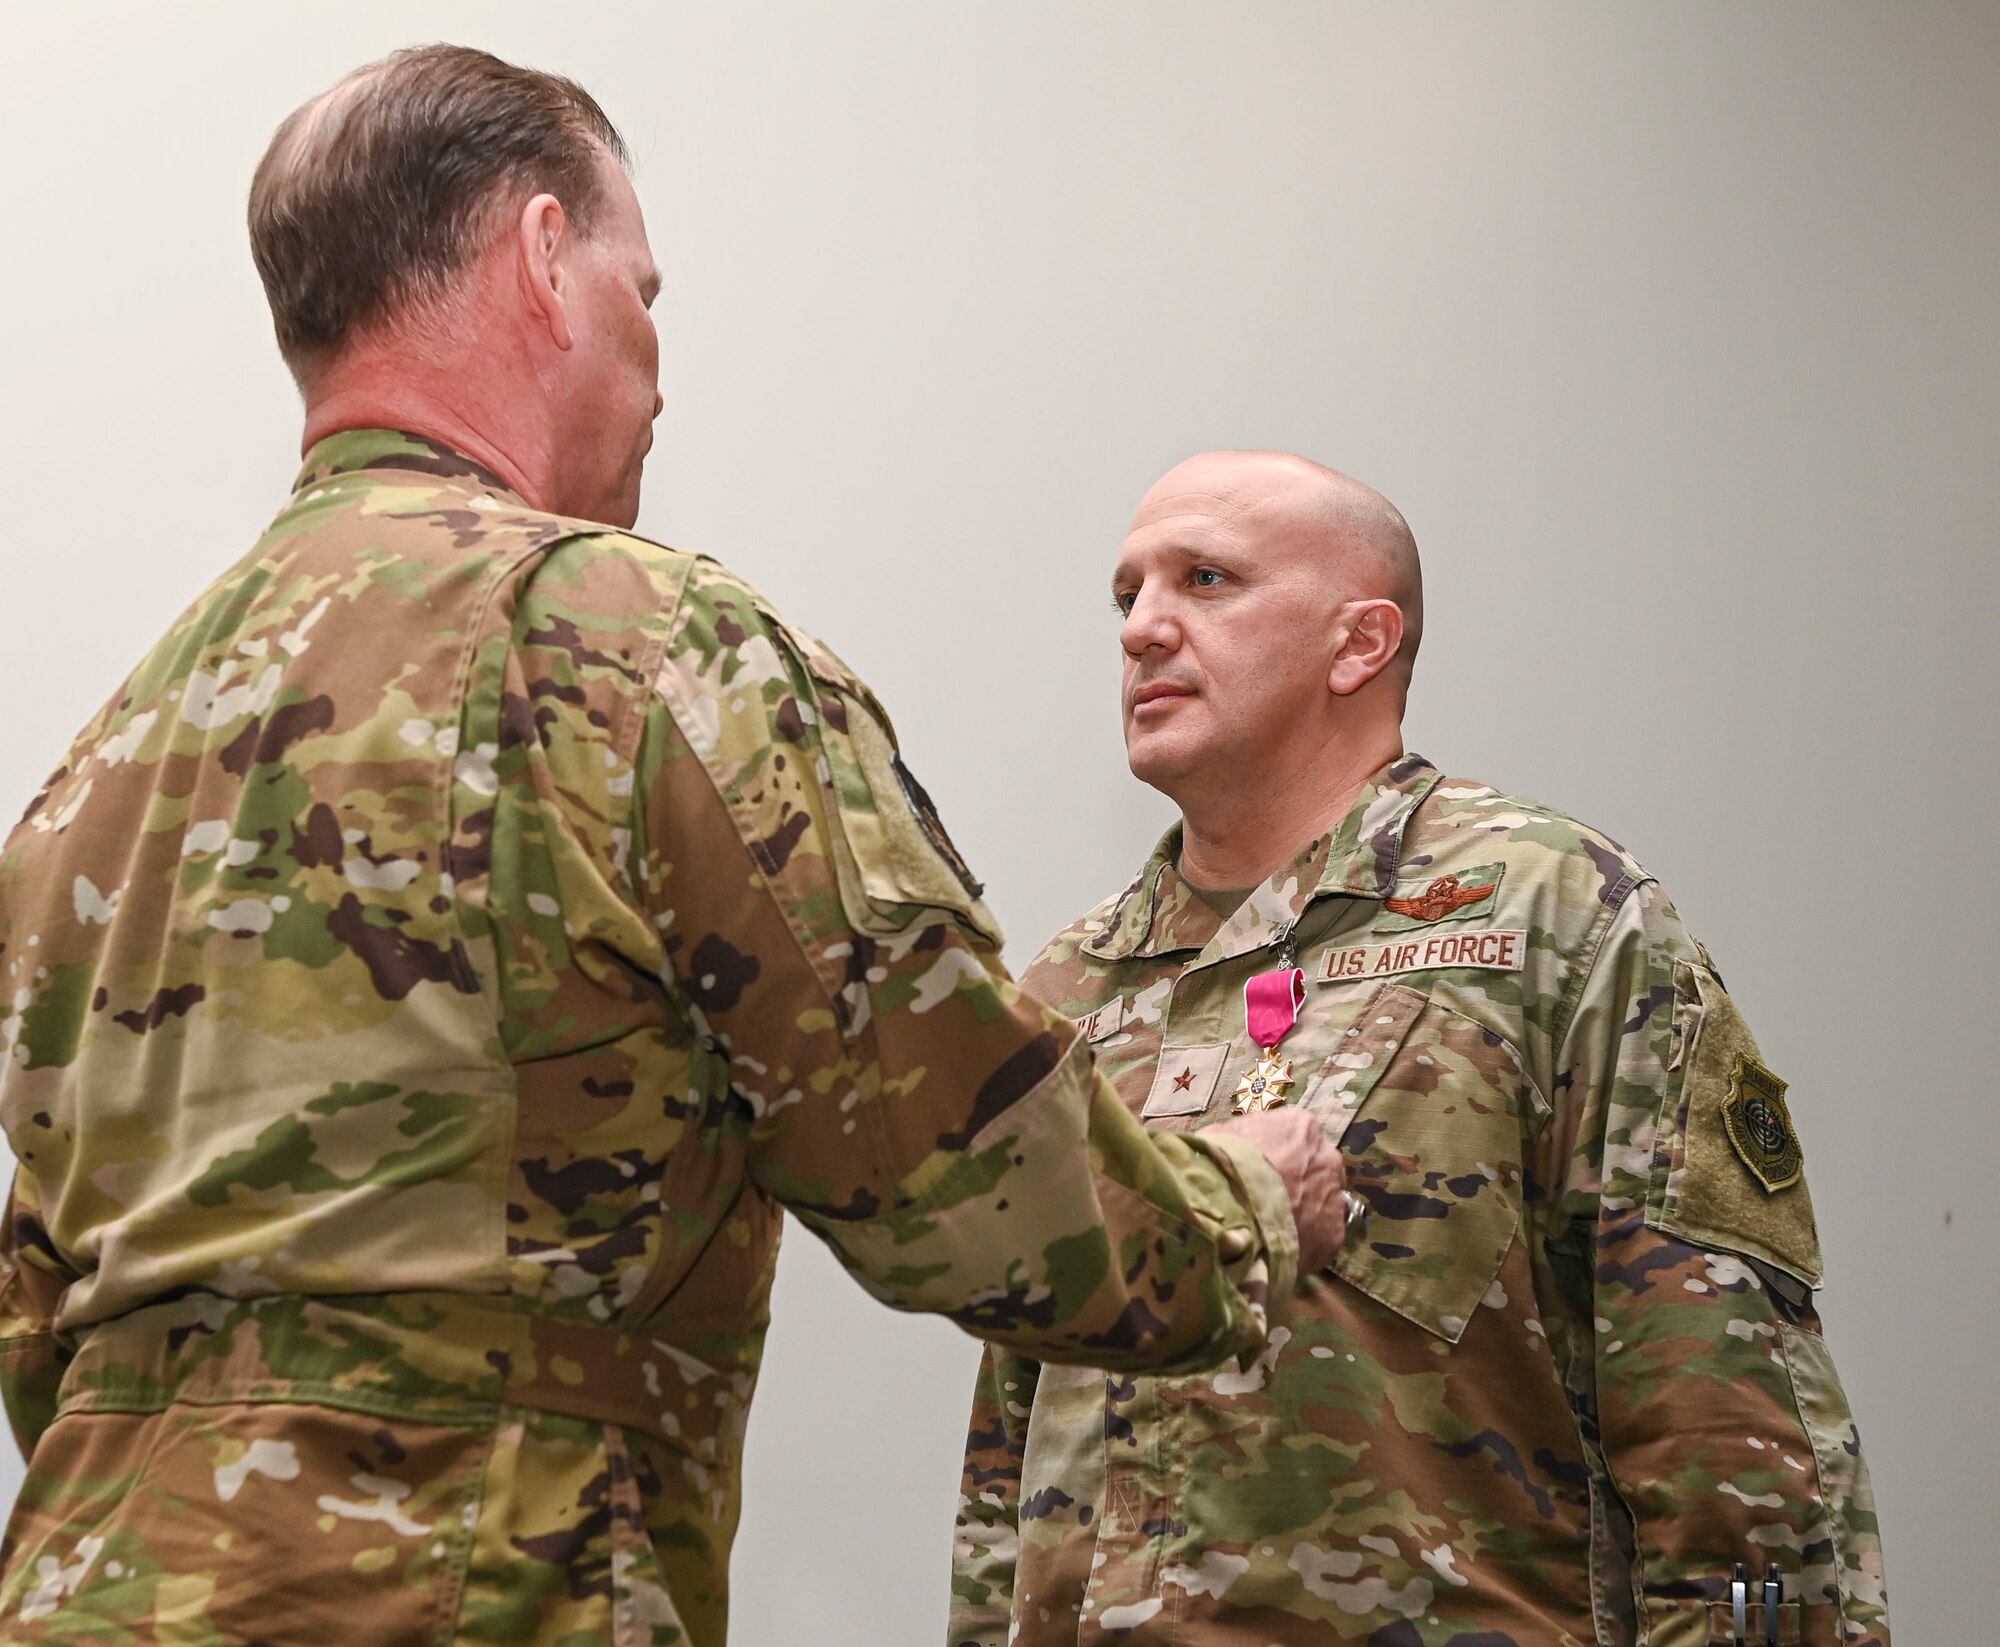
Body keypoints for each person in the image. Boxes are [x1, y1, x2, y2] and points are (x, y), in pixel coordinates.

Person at [0, 52, 1351, 1647]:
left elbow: (39, 1307)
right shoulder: (640, 648)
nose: (660, 365)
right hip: (470, 1579)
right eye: (646, 292)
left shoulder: (104, 760)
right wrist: (1246, 1208)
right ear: (544, 258)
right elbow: (951, 1168)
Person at [948, 451, 1890, 1646]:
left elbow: (1720, 1421)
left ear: (1359, 644)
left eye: (1204, 580)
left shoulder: (1548, 915)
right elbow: (1009, 1445)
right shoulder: (1066, 988)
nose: (1142, 628)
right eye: (1126, 594)